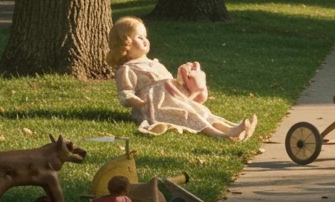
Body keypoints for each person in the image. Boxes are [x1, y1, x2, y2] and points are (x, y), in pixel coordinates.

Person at [107, 16, 257, 139]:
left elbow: (167, 82)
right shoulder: (127, 69)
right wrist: (133, 100)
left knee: (201, 111)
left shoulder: (154, 63)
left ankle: (232, 129)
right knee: (189, 114)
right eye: (139, 37)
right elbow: (125, 92)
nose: (145, 40)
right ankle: (219, 135)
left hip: (174, 98)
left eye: (145, 36)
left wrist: (182, 83)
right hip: (155, 105)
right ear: (125, 43)